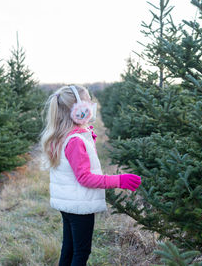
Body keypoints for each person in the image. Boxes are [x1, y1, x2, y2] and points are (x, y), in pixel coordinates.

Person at [40, 84, 142, 266]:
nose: (92, 104)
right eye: (88, 101)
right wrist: (119, 180)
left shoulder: (63, 135)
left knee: (69, 248)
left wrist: (87, 136)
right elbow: (85, 178)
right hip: (80, 205)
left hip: (68, 203)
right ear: (77, 109)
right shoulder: (75, 141)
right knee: (81, 252)